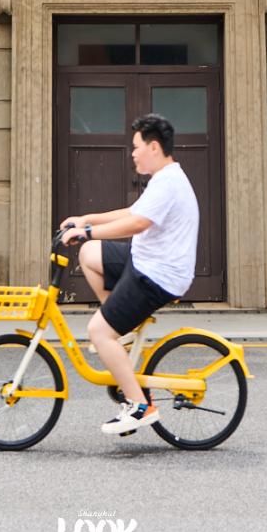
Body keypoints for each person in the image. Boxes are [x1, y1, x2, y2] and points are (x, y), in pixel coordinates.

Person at [60, 112, 199, 437]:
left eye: (136, 146)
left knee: (97, 331)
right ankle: (121, 327)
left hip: (158, 274)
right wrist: (86, 219)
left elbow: (137, 224)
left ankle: (140, 406)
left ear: (153, 147)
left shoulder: (168, 182)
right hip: (147, 261)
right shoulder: (165, 179)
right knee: (89, 255)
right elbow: (134, 212)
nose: (132, 153)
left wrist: (88, 231)